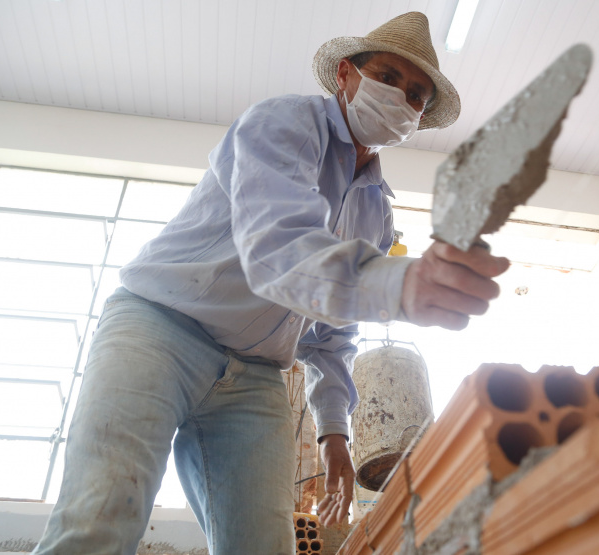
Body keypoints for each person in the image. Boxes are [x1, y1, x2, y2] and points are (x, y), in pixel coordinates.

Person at [33, 11, 509, 555]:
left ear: (419, 118)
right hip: (159, 330)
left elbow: (332, 332)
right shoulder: (283, 124)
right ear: (346, 76)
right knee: (100, 519)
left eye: (417, 94)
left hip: (256, 377)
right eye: (387, 76)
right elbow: (278, 246)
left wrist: (335, 432)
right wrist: (399, 286)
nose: (401, 97)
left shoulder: (377, 212)